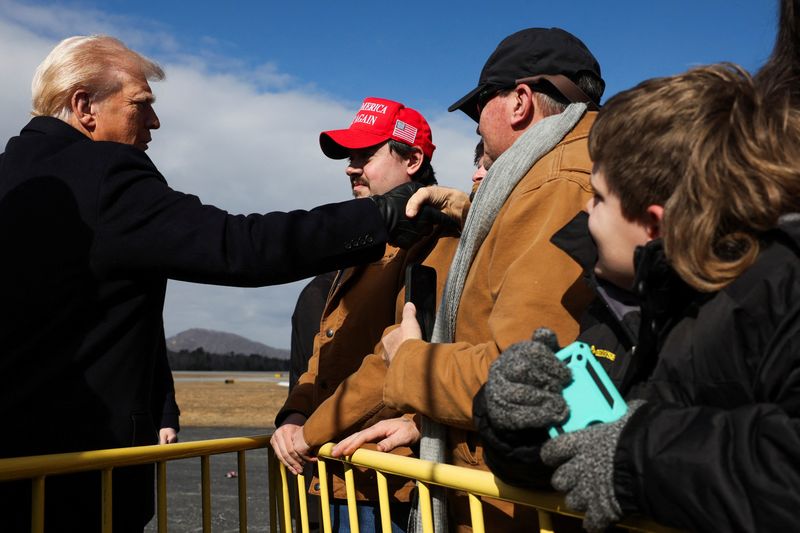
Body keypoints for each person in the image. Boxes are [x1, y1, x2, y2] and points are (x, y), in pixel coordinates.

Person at [0, 36, 455, 532]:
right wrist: (382, 215)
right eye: (141, 105)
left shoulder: (14, 175)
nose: (153, 122)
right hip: (77, 479)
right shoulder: (102, 174)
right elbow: (241, 245)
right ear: (84, 106)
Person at [480, 58, 800, 531]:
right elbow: (574, 461)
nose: (586, 211)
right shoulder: (623, 305)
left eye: (599, 197)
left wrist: (635, 458)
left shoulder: (776, 301)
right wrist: (512, 421)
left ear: (654, 225)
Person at [337, 28, 605, 532]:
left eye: (481, 105)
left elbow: (521, 375)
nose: (478, 129)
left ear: (520, 102)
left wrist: (410, 361)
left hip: (516, 505)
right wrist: (472, 212)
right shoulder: (577, 171)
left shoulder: (557, 183)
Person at [270, 97, 460, 532]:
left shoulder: (435, 238)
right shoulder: (369, 239)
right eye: (349, 157)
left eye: (365, 155)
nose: (350, 168)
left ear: (413, 160)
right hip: (334, 470)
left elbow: (396, 353)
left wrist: (309, 432)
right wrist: (296, 413)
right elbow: (327, 344)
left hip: (386, 483)